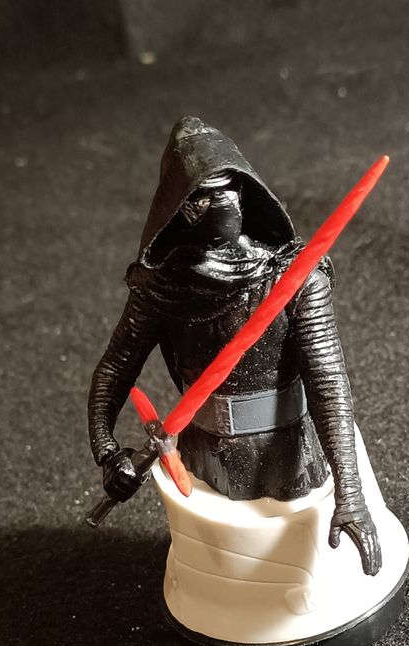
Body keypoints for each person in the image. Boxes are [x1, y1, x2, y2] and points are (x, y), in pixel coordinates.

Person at [88, 116, 381, 575]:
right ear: (182, 207)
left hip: (293, 457)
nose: (225, 202)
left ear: (247, 192)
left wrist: (350, 495)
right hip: (204, 460)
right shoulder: (161, 287)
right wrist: (109, 453)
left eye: (232, 188)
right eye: (207, 193)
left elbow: (328, 382)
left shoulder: (293, 276)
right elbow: (113, 370)